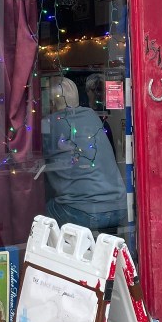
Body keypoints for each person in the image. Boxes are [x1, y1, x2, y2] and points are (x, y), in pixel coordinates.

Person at [41, 77, 128, 236]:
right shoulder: (92, 117)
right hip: (119, 207)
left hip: (84, 211)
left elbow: (35, 157)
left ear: (52, 102)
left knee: (38, 215)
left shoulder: (50, 123)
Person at [85, 73, 116, 153]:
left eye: (100, 90)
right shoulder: (82, 113)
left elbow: (111, 153)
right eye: (94, 90)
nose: (97, 94)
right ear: (87, 91)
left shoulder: (107, 116)